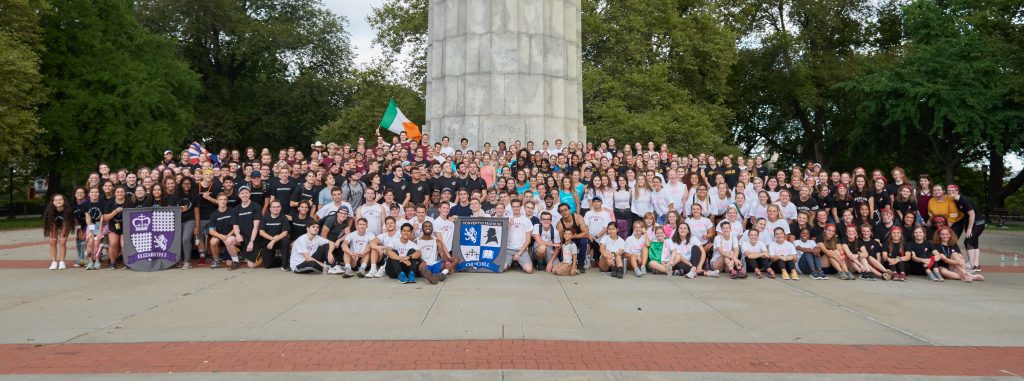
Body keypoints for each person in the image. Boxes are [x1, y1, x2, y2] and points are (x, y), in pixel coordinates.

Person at [947, 185, 984, 272]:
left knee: (968, 241)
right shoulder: (954, 200)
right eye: (948, 190)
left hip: (978, 222)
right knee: (974, 242)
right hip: (969, 222)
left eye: (952, 190)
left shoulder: (964, 200)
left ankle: (971, 265)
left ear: (957, 191)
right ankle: (976, 265)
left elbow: (972, 214)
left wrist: (969, 229)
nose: (950, 192)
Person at [232, 186, 262, 269]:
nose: (244, 195)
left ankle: (263, 256)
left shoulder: (256, 206)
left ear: (250, 194)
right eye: (242, 193)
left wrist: (251, 241)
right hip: (242, 238)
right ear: (239, 195)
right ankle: (236, 261)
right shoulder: (236, 209)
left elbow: (256, 227)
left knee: (251, 265)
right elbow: (235, 226)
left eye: (246, 193)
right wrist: (237, 234)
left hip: (254, 238)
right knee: (229, 240)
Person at [102, 186, 131, 269]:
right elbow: (106, 218)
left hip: (125, 226)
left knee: (123, 244)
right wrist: (115, 211)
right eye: (118, 192)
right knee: (113, 243)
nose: (119, 193)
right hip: (113, 225)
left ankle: (126, 262)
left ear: (125, 193)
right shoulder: (110, 202)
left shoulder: (129, 202)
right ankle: (112, 262)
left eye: (122, 192)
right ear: (114, 193)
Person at [207, 193, 239, 270]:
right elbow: (211, 231)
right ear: (217, 201)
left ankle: (236, 259)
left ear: (227, 201)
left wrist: (227, 236)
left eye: (225, 199)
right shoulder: (214, 214)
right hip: (221, 237)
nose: (223, 201)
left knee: (229, 263)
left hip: (231, 237)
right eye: (220, 199)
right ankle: (216, 261)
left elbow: (236, 226)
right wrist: (220, 236)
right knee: (213, 241)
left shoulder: (232, 211)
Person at [556, 202, 590, 273]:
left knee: (584, 241)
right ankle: (568, 263)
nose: (564, 212)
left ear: (569, 210)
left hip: (578, 239)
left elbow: (586, 234)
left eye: (565, 210)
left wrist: (573, 236)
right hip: (567, 243)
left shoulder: (578, 218)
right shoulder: (560, 225)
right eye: (561, 211)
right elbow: (561, 242)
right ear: (560, 213)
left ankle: (580, 265)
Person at [43, 194, 74, 270]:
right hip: (54, 224)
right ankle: (53, 262)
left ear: (64, 201)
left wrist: (62, 235)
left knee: (62, 241)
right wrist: (53, 236)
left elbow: (67, 224)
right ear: (53, 202)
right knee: (53, 241)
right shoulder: (50, 211)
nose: (58, 201)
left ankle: (62, 261)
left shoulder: (68, 210)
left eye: (60, 199)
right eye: (56, 200)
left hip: (65, 224)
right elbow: (51, 224)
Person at [257, 200, 290, 269]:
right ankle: (280, 259)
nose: (276, 208)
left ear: (281, 208)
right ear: (270, 209)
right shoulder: (265, 217)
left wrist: (273, 241)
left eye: (278, 207)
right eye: (274, 207)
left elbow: (285, 233)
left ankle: (285, 264)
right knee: (267, 265)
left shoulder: (283, 217)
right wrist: (272, 239)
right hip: (268, 241)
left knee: (285, 240)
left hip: (280, 240)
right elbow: (261, 232)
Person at [505, 199, 534, 273]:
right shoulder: (506, 219)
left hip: (522, 250)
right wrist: (508, 226)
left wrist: (519, 253)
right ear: (511, 207)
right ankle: (511, 262)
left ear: (520, 207)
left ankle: (517, 262)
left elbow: (528, 240)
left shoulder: (526, 220)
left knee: (529, 270)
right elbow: (502, 236)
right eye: (514, 206)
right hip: (508, 249)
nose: (516, 208)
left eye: (518, 206)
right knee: (502, 268)